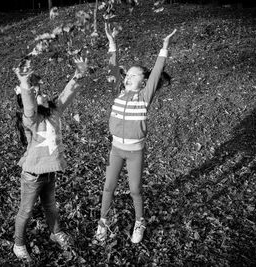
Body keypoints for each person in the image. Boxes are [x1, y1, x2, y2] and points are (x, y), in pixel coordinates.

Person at [95, 23, 176, 244]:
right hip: (116, 150)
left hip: (135, 152)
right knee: (108, 187)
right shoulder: (118, 93)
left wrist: (164, 48)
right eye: (127, 74)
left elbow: (157, 71)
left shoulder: (144, 97)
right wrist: (112, 43)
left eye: (133, 75)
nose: (127, 77)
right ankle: (103, 221)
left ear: (143, 82)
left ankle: (140, 221)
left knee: (135, 190)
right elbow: (113, 68)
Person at [12, 56, 88, 262]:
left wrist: (78, 74)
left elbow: (66, 94)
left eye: (42, 92)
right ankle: (18, 244)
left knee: (51, 206)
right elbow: (29, 105)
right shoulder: (31, 119)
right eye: (37, 94)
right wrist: (25, 84)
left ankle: (55, 232)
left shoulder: (54, 112)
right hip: (32, 175)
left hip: (49, 172)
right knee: (26, 211)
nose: (43, 94)